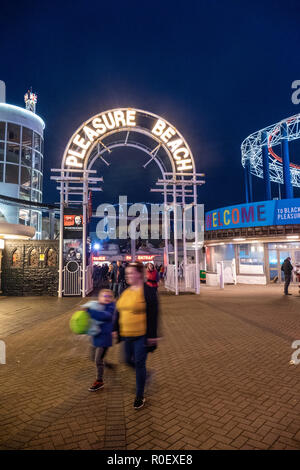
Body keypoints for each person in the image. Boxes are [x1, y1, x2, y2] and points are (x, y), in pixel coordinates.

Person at [113, 262, 159, 409]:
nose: (128, 275)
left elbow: (154, 315)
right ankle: (147, 375)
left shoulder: (148, 291)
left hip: (141, 335)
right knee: (126, 360)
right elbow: (118, 311)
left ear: (139, 274)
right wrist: (115, 329)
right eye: (127, 273)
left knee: (139, 363)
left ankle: (139, 395)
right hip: (126, 335)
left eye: (131, 273)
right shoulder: (125, 291)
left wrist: (152, 335)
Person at [83, 289, 115, 391]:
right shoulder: (96, 305)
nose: (107, 298)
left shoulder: (111, 308)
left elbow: (104, 316)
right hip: (96, 337)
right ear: (99, 298)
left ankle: (99, 381)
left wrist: (90, 311)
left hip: (104, 339)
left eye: (109, 296)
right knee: (93, 357)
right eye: (104, 296)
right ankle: (106, 364)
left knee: (97, 360)